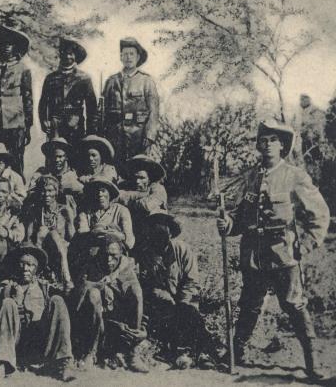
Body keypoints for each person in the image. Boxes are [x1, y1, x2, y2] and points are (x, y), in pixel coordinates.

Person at [216, 120, 330, 381]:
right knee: (249, 305)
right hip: (254, 255)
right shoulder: (250, 177)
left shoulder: (294, 176)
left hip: (283, 254)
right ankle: (237, 353)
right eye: (263, 140)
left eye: (273, 140)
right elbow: (241, 219)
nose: (267, 144)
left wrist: (306, 245)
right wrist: (228, 224)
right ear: (258, 145)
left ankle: (312, 365)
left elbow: (320, 214)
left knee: (294, 305)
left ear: (282, 146)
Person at [0, 242, 74, 385]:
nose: (26, 268)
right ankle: (1, 365)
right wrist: (16, 301)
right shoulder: (7, 286)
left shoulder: (45, 287)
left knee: (58, 300)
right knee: (8, 303)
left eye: (31, 265)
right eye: (22, 264)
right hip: (16, 342)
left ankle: (64, 363)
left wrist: (68, 287)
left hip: (40, 341)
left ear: (37, 268)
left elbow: (64, 300)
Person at [139, 212, 218, 369]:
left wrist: (181, 302)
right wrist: (157, 292)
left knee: (189, 314)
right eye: (155, 234)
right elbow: (142, 281)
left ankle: (204, 353)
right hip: (158, 302)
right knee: (165, 321)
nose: (159, 240)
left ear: (170, 234)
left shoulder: (182, 250)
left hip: (183, 300)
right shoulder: (145, 254)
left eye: (164, 234)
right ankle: (176, 354)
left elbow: (192, 280)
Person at [72, 233, 148, 373]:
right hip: (94, 321)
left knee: (137, 291)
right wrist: (99, 285)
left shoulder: (126, 267)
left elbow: (132, 295)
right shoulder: (91, 264)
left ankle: (132, 351)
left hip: (116, 321)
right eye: (105, 254)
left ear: (121, 254)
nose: (108, 259)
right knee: (93, 294)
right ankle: (91, 352)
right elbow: (80, 288)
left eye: (113, 255)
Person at [0, 24, 33, 176]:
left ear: (15, 47)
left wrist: (28, 126)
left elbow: (28, 99)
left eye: (9, 44)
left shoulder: (23, 70)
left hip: (16, 123)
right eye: (3, 44)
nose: (5, 48)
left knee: (16, 159)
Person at [102, 37, 160, 162]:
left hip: (138, 137)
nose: (128, 57)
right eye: (125, 54)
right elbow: (102, 111)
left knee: (137, 170)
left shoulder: (146, 81)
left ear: (138, 57)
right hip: (114, 137)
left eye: (132, 54)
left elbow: (154, 112)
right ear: (121, 57)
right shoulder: (111, 81)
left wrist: (149, 136)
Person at [38, 37, 97, 146]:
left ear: (76, 56)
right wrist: (43, 121)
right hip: (55, 126)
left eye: (71, 53)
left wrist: (91, 131)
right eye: (64, 52)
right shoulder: (51, 78)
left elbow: (92, 107)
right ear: (60, 55)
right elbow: (43, 102)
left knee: (76, 157)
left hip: (76, 126)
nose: (67, 56)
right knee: (55, 157)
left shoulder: (84, 78)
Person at [23, 175, 76, 291]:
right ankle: (63, 279)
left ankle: (66, 278)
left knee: (54, 234)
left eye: (50, 191)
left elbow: (72, 238)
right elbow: (28, 238)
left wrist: (70, 217)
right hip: (41, 249)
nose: (46, 194)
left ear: (56, 192)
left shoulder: (63, 210)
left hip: (62, 251)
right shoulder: (34, 211)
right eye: (43, 191)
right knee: (43, 230)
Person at [117, 154, 167, 249]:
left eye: (142, 178)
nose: (137, 181)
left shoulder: (158, 188)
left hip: (151, 230)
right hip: (131, 229)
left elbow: (146, 205)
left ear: (149, 178)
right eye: (135, 177)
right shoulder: (126, 185)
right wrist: (143, 195)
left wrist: (128, 200)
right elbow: (117, 195)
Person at [77, 178, 135, 250]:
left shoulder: (122, 210)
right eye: (96, 191)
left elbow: (130, 242)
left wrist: (113, 235)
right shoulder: (86, 212)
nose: (100, 194)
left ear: (109, 193)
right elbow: (82, 235)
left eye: (103, 191)